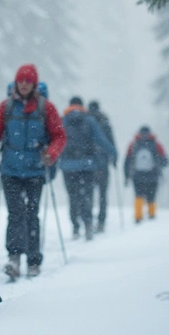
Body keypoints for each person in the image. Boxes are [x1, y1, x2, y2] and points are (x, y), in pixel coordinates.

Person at [0, 64, 66, 280]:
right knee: (16, 213)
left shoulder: (46, 108)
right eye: (21, 81)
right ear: (16, 83)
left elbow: (59, 136)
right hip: (10, 171)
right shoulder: (6, 107)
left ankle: (33, 259)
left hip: (36, 171)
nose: (24, 84)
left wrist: (52, 154)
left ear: (34, 84)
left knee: (32, 214)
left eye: (28, 81)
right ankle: (15, 257)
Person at [60, 97, 117, 241]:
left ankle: (75, 227)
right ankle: (88, 224)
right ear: (81, 106)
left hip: (68, 166)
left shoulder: (63, 121)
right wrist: (113, 152)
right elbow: (101, 140)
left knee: (73, 197)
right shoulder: (89, 120)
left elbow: (56, 141)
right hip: (87, 165)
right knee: (87, 196)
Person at [124, 126, 169, 223]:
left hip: (137, 175)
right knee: (151, 196)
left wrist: (126, 176)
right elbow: (165, 161)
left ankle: (138, 216)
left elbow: (127, 161)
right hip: (152, 175)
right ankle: (151, 214)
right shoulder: (156, 144)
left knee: (138, 195)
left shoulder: (133, 144)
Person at [87, 100, 118, 233]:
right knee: (103, 194)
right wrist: (114, 157)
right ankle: (101, 221)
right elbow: (110, 142)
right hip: (103, 164)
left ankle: (88, 220)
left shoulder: (86, 121)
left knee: (88, 194)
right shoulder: (105, 122)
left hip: (88, 164)